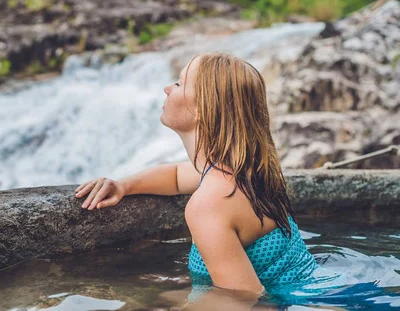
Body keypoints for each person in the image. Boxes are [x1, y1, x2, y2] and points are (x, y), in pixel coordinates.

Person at [74, 51, 318, 300]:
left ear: (203, 109)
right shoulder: (245, 170)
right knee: (158, 298)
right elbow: (176, 176)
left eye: (179, 83)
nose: (168, 88)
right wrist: (123, 186)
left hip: (282, 302)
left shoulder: (210, 204)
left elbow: (241, 300)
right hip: (310, 292)